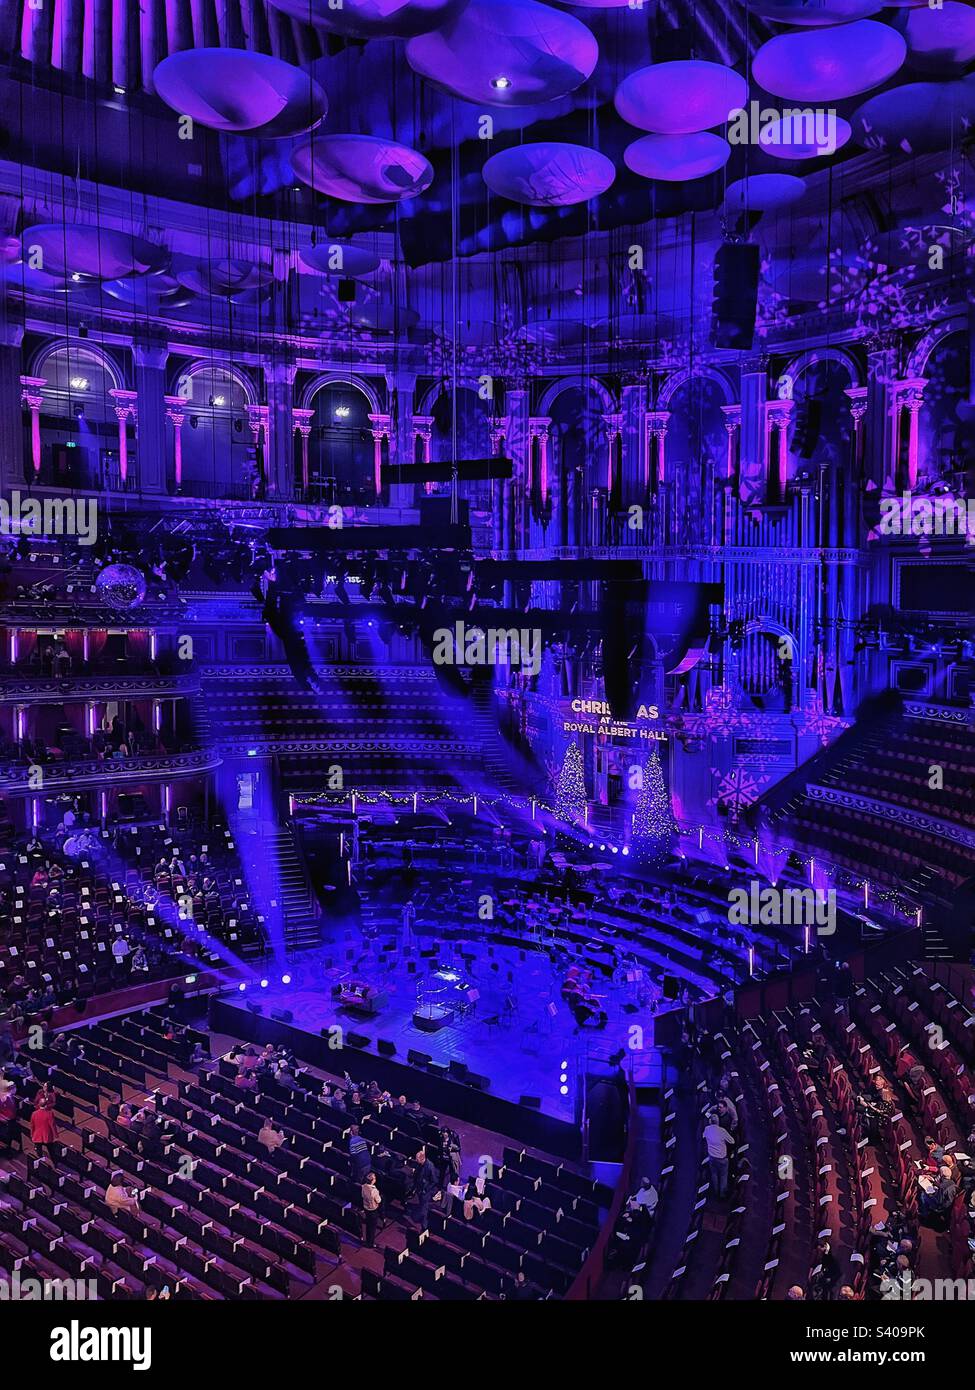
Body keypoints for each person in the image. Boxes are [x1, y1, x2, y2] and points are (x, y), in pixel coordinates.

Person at [703, 1111, 735, 1198]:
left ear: (710, 1121)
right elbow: (732, 1141)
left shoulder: (707, 1129)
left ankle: (716, 1192)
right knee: (723, 1176)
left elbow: (704, 1136)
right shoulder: (722, 1131)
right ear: (718, 1122)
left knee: (714, 1174)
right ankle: (722, 1194)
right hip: (722, 1158)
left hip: (712, 1157)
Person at [30, 1086, 59, 1163]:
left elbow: (32, 1125)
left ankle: (41, 1162)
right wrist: (56, 1136)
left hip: (37, 1135)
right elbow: (52, 1125)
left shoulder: (34, 1113)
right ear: (46, 1105)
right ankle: (55, 1163)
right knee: (51, 1151)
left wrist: (32, 1135)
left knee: (39, 1152)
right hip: (47, 1136)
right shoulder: (49, 1113)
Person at [361, 1171, 382, 1247]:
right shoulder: (374, 1191)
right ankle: (370, 1243)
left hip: (366, 1208)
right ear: (372, 1180)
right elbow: (379, 1200)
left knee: (368, 1226)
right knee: (372, 1228)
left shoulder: (363, 1186)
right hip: (373, 1210)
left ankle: (367, 1241)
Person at [0, 1078, 19, 1152]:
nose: (16, 1090)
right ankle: (8, 1151)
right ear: (12, 1089)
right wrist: (2, 1118)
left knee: (12, 1135)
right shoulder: (4, 1098)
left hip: (12, 1119)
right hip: (6, 1121)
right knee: (7, 1137)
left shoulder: (11, 1097)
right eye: (15, 1088)